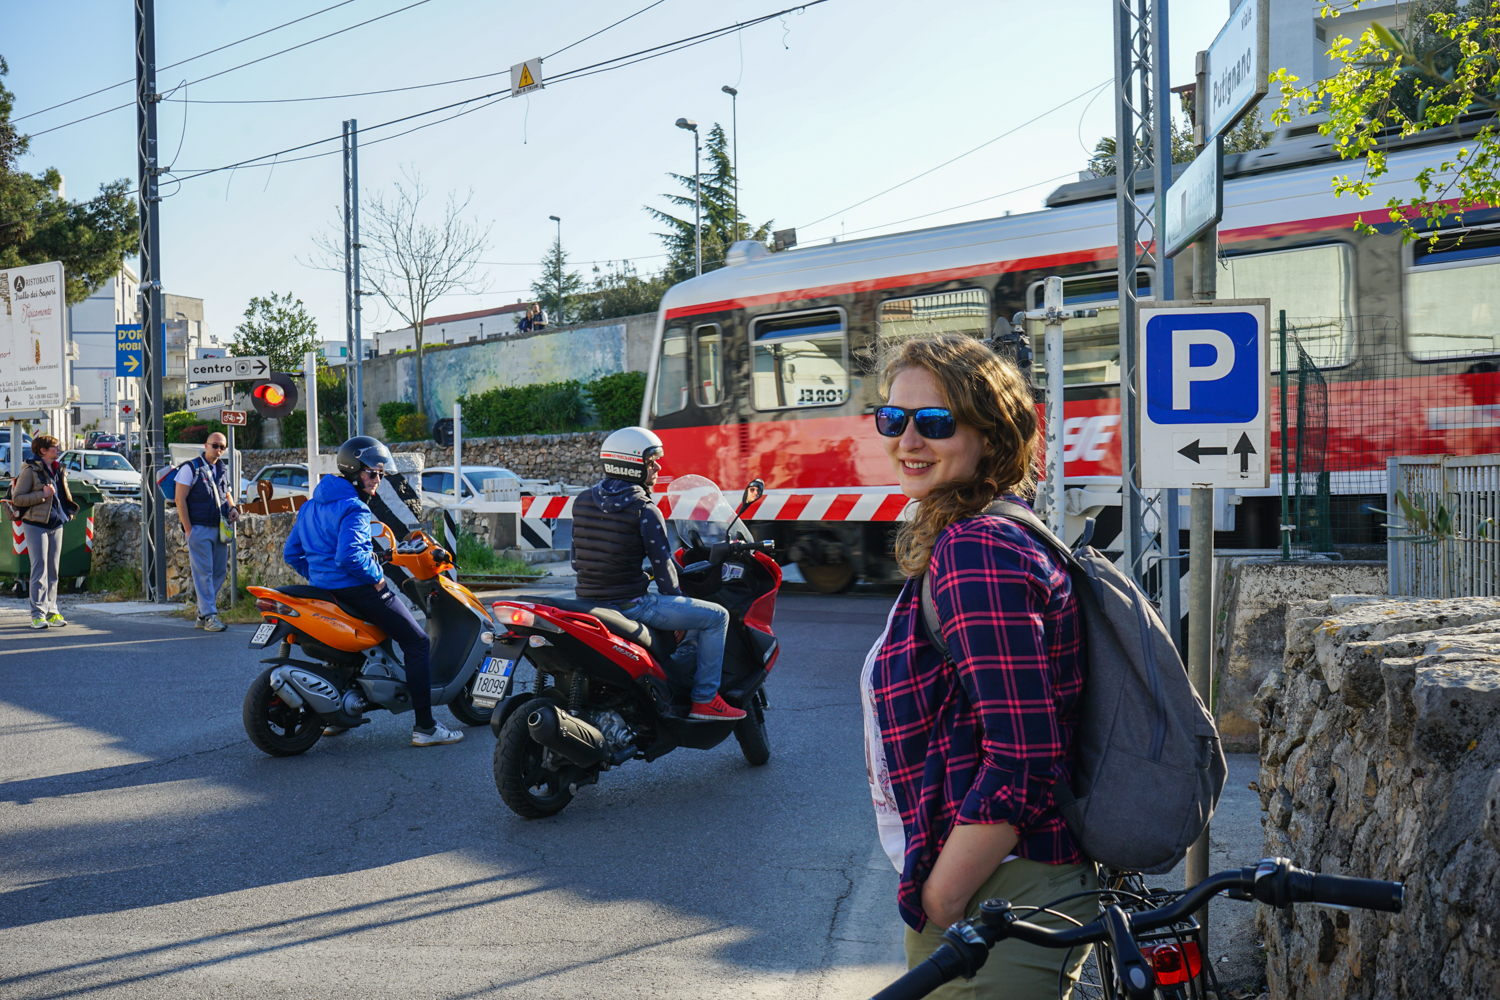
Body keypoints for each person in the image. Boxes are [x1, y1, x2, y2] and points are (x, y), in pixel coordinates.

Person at [861, 334, 1097, 999]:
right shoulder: (988, 531)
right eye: (893, 418)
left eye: (935, 422)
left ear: (991, 437)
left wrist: (940, 898)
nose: (908, 438)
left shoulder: (978, 549)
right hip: (996, 887)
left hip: (1001, 893)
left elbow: (1023, 754)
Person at [282, 436, 463, 747]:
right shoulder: (354, 508)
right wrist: (377, 577)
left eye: (380, 474)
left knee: (352, 650)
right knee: (417, 643)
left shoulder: (311, 505)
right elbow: (349, 557)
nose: (377, 480)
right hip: (359, 591)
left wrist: (320, 575)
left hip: (325, 593)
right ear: (354, 471)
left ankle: (336, 717)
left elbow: (292, 554)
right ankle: (426, 727)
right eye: (372, 473)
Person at [570, 426, 744, 722]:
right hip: (631, 604)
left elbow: (577, 560)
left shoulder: (583, 501)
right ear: (632, 464)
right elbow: (666, 574)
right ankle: (705, 699)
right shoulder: (644, 508)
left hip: (587, 600)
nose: (658, 467)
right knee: (718, 617)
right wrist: (679, 607)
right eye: (651, 462)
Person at [12, 434, 78, 629]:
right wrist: (43, 495)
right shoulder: (30, 471)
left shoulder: (58, 470)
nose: (58, 450)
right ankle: (37, 614)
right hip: (35, 524)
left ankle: (52, 611)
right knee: (39, 569)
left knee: (53, 570)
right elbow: (18, 499)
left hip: (56, 524)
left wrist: (67, 511)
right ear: (42, 451)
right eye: (54, 447)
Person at [174, 432, 237, 631]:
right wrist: (189, 529)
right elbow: (179, 499)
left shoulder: (222, 468)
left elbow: (227, 493)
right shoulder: (190, 468)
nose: (218, 450)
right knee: (204, 574)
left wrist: (234, 508)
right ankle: (210, 616)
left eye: (222, 447)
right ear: (206, 445)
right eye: (215, 445)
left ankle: (202, 614)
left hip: (219, 528)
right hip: (199, 529)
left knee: (219, 572)